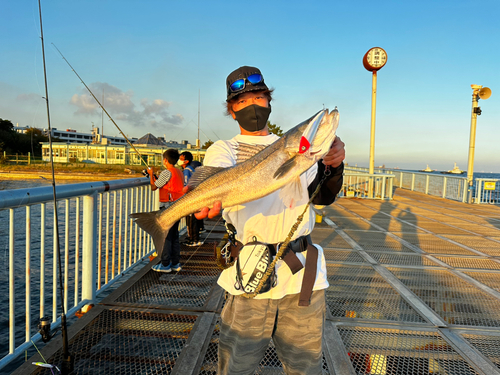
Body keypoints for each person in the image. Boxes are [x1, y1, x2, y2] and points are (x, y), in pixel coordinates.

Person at [196, 66, 345, 375]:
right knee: (237, 366)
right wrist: (201, 199)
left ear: (269, 102)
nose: (252, 104)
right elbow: (216, 183)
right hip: (249, 273)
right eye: (242, 101)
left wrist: (334, 164)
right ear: (231, 110)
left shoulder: (296, 146)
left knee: (306, 367)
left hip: (303, 276)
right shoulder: (224, 150)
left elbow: (322, 197)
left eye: (259, 97)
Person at [147, 149, 184, 273]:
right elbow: (167, 184)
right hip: (178, 206)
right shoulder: (179, 171)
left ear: (166, 160)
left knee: (165, 236)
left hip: (167, 207)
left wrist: (150, 174)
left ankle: (165, 264)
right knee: (174, 235)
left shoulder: (166, 172)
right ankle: (175, 263)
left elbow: (154, 187)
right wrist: (154, 177)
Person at [178, 151, 203, 246]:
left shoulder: (187, 171)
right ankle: (194, 238)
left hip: (190, 198)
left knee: (190, 220)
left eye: (181, 159)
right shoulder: (192, 169)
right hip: (196, 197)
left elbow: (186, 185)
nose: (179, 161)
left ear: (186, 161)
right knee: (193, 219)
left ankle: (193, 239)